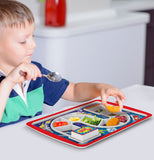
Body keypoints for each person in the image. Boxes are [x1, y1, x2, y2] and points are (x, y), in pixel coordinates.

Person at [0, 0, 125, 127]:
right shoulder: (5, 83)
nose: (33, 44)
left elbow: (74, 91)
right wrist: (9, 82)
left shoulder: (37, 71)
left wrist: (99, 88)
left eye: (33, 36)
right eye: (22, 41)